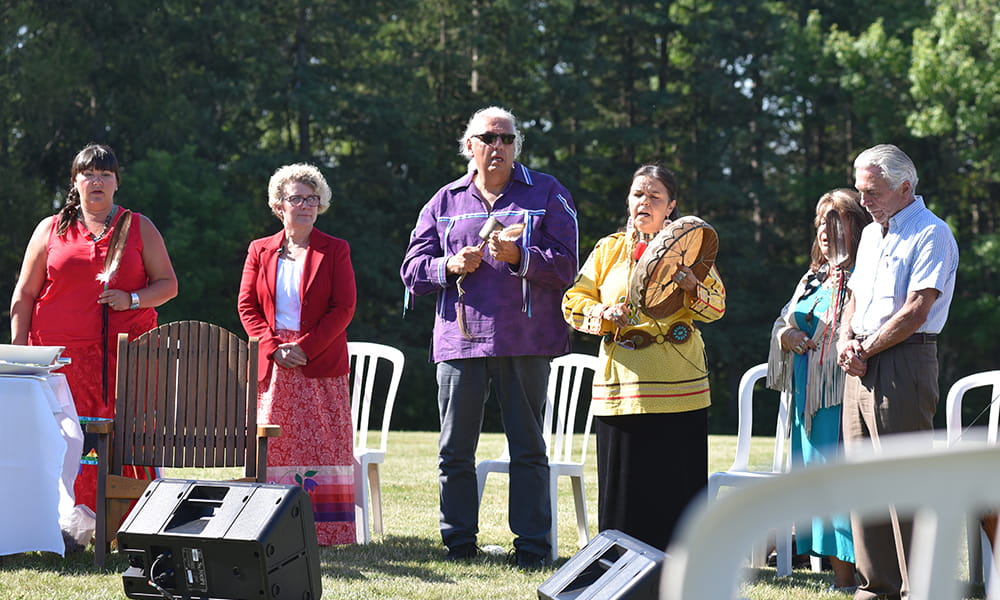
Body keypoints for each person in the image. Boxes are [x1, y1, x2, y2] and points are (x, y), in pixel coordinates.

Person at [400, 106, 578, 568]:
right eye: (487, 138)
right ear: (469, 147)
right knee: (454, 449)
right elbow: (411, 272)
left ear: (517, 145)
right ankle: (459, 543)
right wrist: (449, 266)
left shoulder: (546, 193)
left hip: (525, 338)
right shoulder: (444, 202)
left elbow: (567, 266)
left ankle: (533, 548)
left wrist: (522, 254)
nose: (497, 146)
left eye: (506, 139)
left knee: (528, 449)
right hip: (460, 341)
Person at [9, 143, 178, 534]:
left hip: (123, 360)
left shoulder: (139, 227)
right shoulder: (50, 229)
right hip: (56, 362)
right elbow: (25, 294)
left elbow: (169, 285)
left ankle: (126, 524)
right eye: (88, 174)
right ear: (75, 183)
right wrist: (19, 357)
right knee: (59, 443)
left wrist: (131, 298)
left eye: (105, 174)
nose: (96, 181)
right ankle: (56, 526)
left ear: (117, 183)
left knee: (122, 439)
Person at [562, 164, 725, 551]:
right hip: (622, 387)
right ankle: (619, 568)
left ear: (671, 206)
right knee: (624, 489)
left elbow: (716, 308)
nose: (644, 203)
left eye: (655, 197)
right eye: (638, 194)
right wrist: (603, 314)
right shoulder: (609, 249)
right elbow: (573, 301)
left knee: (678, 488)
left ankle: (680, 572)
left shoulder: (692, 248)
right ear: (628, 200)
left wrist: (691, 286)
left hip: (679, 386)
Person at [837, 144, 959, 600]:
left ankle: (920, 589)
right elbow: (853, 297)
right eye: (860, 189)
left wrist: (863, 347)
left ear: (905, 187)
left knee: (903, 481)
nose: (863, 200)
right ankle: (877, 587)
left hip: (905, 361)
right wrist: (848, 342)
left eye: (873, 191)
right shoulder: (870, 235)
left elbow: (915, 310)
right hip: (861, 363)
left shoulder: (932, 233)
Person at [238, 163, 357, 546]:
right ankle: (269, 525)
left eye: (312, 198)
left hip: (319, 362)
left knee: (323, 444)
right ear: (278, 206)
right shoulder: (260, 250)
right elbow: (247, 307)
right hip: (273, 366)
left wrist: (304, 349)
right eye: (296, 198)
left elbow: (344, 308)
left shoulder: (335, 249)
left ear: (320, 205)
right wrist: (274, 349)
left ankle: (327, 531)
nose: (304, 205)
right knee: (271, 445)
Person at [767, 189, 870, 591]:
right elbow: (783, 319)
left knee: (841, 484)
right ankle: (839, 576)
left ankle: (861, 576)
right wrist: (788, 334)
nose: (825, 230)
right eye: (819, 222)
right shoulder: (813, 276)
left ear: (856, 224)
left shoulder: (866, 273)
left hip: (843, 394)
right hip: (808, 399)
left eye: (835, 220)